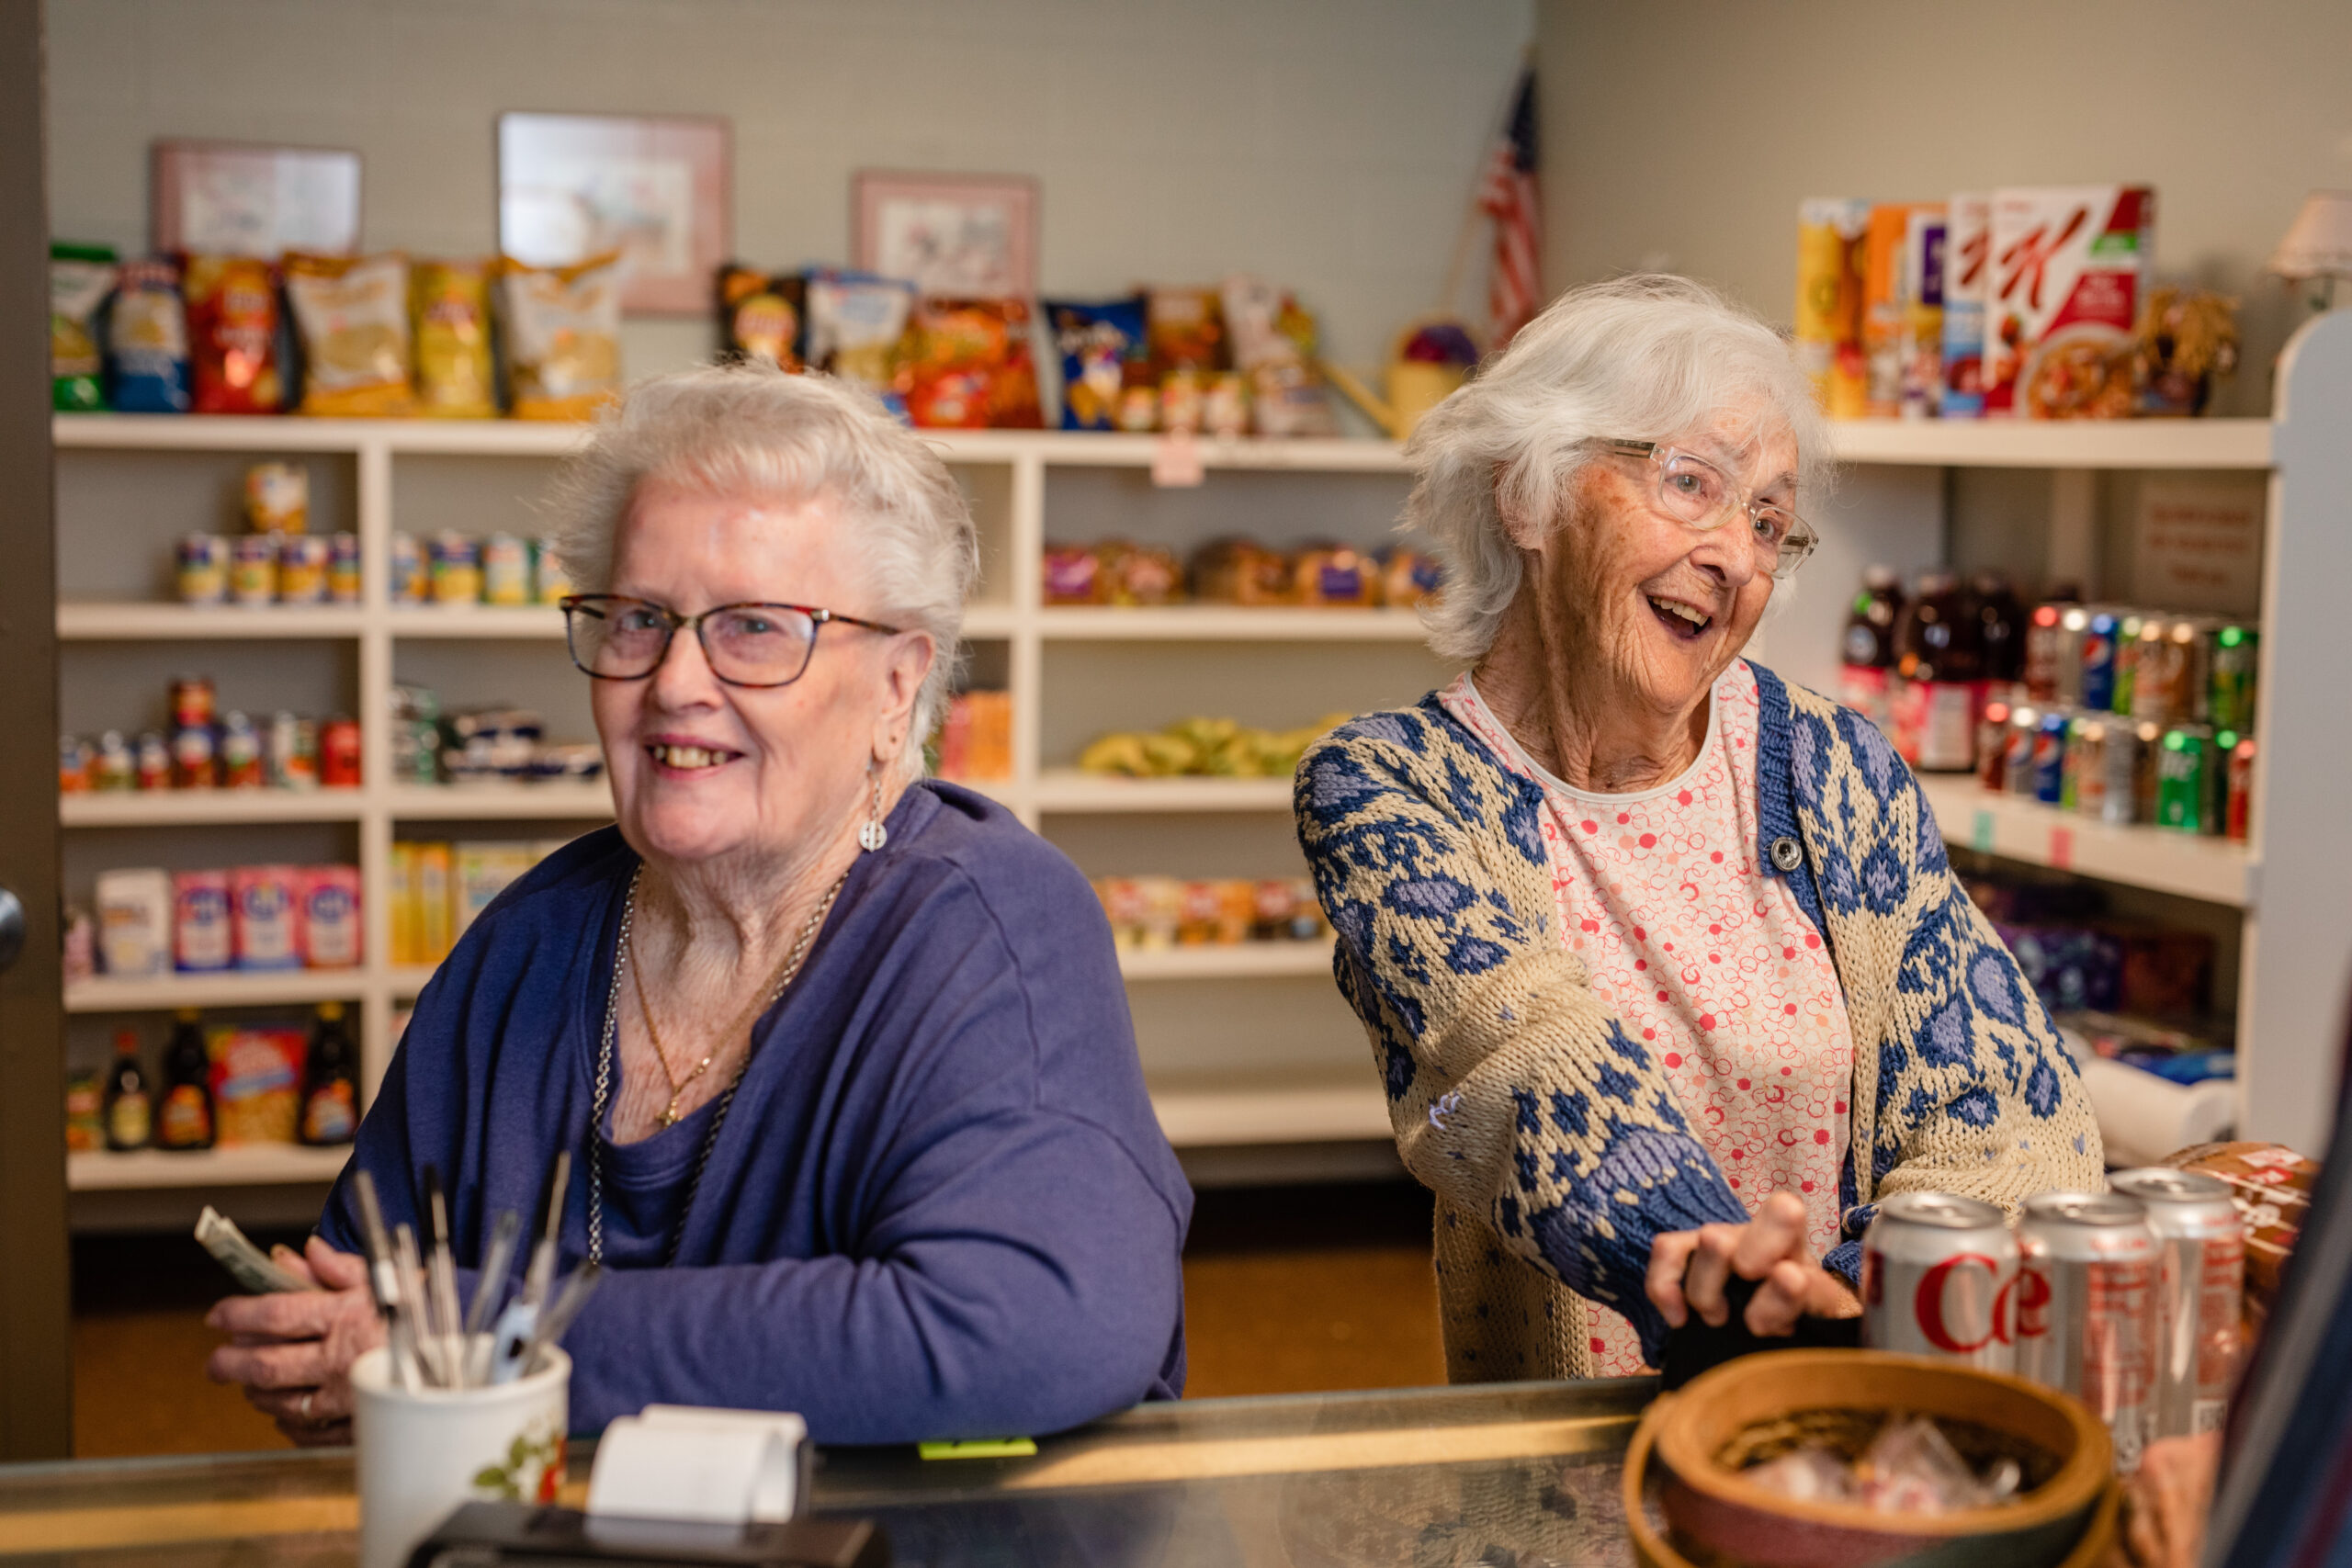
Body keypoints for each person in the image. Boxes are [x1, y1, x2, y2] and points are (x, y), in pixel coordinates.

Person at [208, 365, 1192, 1445]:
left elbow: (1032, 1328)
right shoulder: (530, 937)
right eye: (638, 618)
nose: (675, 680)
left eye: (755, 628)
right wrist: (328, 1356)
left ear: (898, 685)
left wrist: (481, 1346)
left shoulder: (988, 920)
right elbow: (368, 1291)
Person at [1293, 276, 2103, 1381]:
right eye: (1690, 485)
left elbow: (2010, 1107)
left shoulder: (1833, 767)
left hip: (1860, 1410)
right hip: (1578, 1481)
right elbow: (1518, 1060)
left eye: (1768, 521)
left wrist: (1849, 1301)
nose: (1735, 554)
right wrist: (1705, 1268)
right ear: (1524, 498)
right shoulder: (1390, 789)